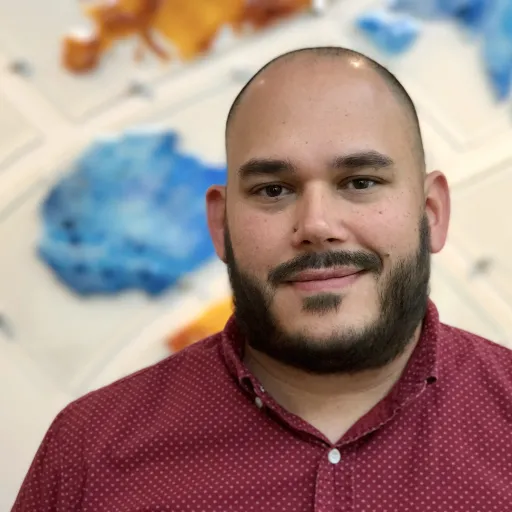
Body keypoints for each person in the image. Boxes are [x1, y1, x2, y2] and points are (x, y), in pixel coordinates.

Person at [12, 47, 512, 512]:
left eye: (360, 182)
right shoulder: (87, 455)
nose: (316, 224)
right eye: (273, 190)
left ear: (432, 212)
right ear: (221, 224)